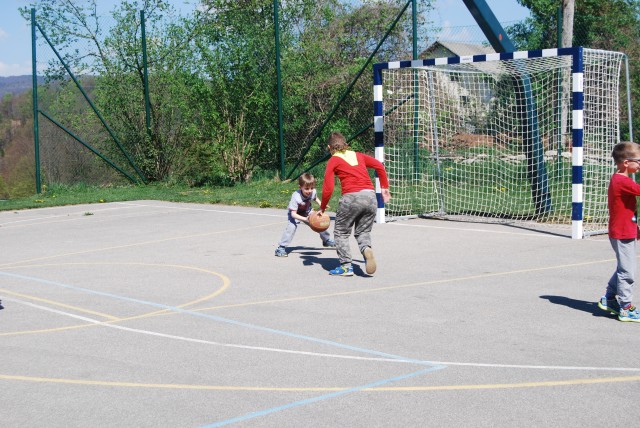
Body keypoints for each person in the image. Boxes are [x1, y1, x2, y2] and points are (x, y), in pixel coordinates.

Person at [317, 131, 391, 276]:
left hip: (351, 198)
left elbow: (328, 187)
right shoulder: (358, 155)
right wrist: (384, 188)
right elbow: (380, 166)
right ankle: (366, 250)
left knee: (341, 232)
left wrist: (323, 206)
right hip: (370, 197)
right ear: (345, 144)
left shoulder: (333, 160)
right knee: (363, 231)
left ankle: (346, 266)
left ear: (329, 147)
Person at [597, 141, 640, 322]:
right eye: (638, 161)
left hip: (625, 230)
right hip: (622, 233)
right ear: (625, 163)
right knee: (627, 272)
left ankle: (608, 298)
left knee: (624, 268)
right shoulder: (622, 181)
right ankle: (625, 307)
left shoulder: (622, 180)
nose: (639, 165)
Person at [275, 173, 335, 257]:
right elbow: (293, 214)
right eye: (306, 188)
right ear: (300, 187)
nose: (309, 191)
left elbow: (315, 198)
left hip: (307, 212)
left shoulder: (312, 192)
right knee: (291, 228)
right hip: (295, 214)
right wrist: (305, 219)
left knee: (319, 222)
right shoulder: (296, 197)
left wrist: (322, 204)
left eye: (311, 188)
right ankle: (280, 248)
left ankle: (326, 240)